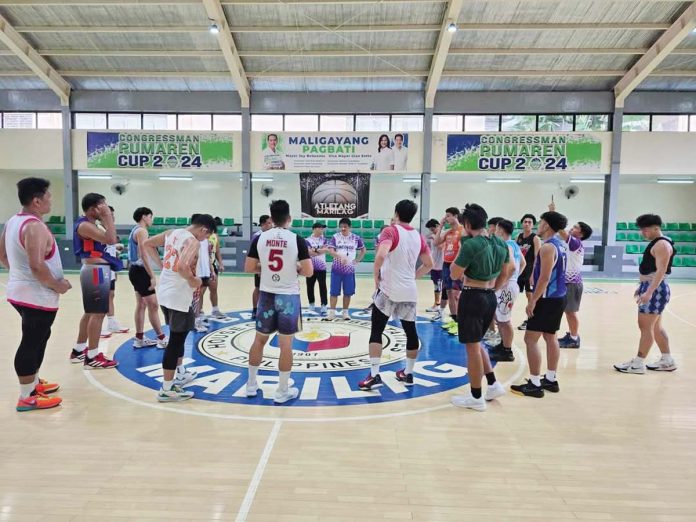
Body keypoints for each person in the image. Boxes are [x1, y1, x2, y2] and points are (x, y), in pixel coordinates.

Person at [0, 177, 71, 412]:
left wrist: (20, 276)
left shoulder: (12, 221)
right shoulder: (34, 227)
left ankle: (33, 382)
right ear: (37, 201)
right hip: (36, 296)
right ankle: (26, 396)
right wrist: (56, 285)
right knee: (31, 342)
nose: (51, 200)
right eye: (48, 197)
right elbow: (37, 266)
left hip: (23, 292)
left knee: (40, 337)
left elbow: (2, 255)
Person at [358, 200, 433, 390]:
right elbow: (429, 263)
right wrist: (412, 277)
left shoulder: (390, 230)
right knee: (410, 332)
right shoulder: (418, 236)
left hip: (389, 289)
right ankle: (408, 373)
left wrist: (376, 277)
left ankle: (375, 376)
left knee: (376, 331)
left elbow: (381, 255)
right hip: (409, 291)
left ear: (396, 213)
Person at [244, 200, 313, 404]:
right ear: (289, 218)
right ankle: (282, 390)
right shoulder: (297, 239)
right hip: (288, 296)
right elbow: (308, 271)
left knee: (259, 340)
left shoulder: (260, 238)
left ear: (271, 219)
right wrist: (293, 269)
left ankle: (250, 384)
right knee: (285, 345)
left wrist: (265, 270)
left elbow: (249, 267)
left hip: (266, 295)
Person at [143, 213, 216, 402]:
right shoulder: (192, 241)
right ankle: (167, 388)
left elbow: (147, 244)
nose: (204, 240)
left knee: (179, 337)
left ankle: (180, 373)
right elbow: (183, 266)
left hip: (166, 292)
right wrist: (194, 280)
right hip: (178, 295)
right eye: (206, 237)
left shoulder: (173, 232)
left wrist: (162, 267)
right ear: (204, 230)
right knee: (175, 341)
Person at [449, 204, 512, 412]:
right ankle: (492, 384)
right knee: (478, 344)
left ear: (467, 224)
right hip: (489, 297)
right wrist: (496, 287)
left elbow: (454, 274)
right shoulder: (501, 244)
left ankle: (476, 396)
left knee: (472, 349)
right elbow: (508, 269)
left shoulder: (471, 245)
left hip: (472, 296)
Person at [511, 211, 568, 398]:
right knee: (551, 336)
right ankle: (551, 379)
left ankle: (535, 383)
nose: (538, 225)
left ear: (548, 226)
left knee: (530, 339)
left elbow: (544, 278)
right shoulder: (560, 244)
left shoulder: (547, 248)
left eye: (541, 222)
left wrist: (533, 300)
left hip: (547, 299)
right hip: (559, 297)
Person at [614, 214, 677, 374]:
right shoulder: (660, 243)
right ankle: (667, 360)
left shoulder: (662, 244)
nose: (643, 233)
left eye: (646, 230)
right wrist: (643, 286)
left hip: (655, 289)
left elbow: (661, 270)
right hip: (652, 286)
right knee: (655, 327)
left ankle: (638, 363)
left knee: (645, 327)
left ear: (656, 228)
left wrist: (649, 291)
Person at [69, 193, 121, 369]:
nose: (105, 208)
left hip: (95, 269)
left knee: (91, 313)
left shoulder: (89, 224)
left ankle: (79, 350)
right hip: (96, 271)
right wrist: (108, 217)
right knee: (98, 314)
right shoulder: (85, 225)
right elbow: (112, 240)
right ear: (93, 209)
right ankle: (92, 357)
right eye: (102, 206)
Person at [547, 202, 593, 349]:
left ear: (581, 234)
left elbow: (561, 231)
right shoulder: (569, 243)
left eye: (575, 227)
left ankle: (574, 338)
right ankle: (572, 335)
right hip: (566, 281)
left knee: (571, 312)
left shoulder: (575, 243)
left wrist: (553, 214)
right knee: (567, 312)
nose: (572, 228)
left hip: (572, 283)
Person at [127, 207, 168, 349]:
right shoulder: (142, 231)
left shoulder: (135, 230)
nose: (152, 219)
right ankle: (161, 338)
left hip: (134, 270)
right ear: (144, 216)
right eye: (150, 216)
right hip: (140, 271)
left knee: (141, 304)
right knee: (153, 305)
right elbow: (144, 255)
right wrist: (152, 275)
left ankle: (139, 338)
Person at [489, 219, 526, 363]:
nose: (494, 231)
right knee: (500, 319)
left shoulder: (505, 245)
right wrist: (514, 279)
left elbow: (511, 267)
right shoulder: (514, 245)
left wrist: (503, 283)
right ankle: (503, 345)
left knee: (504, 320)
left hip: (506, 287)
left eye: (496, 229)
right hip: (510, 284)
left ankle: (507, 351)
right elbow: (522, 263)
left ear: (501, 231)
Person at [327, 218, 366, 320]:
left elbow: (363, 250)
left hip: (349, 270)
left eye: (345, 226)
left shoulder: (356, 238)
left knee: (348, 292)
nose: (343, 228)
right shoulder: (335, 237)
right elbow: (331, 250)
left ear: (350, 227)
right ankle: (332, 313)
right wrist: (340, 257)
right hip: (336, 269)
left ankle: (345, 313)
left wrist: (357, 260)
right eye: (341, 226)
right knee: (334, 292)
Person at [434, 207, 464, 334]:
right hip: (446, 264)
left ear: (455, 216)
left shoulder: (462, 231)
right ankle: (454, 320)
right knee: (450, 293)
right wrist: (440, 226)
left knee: (457, 295)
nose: (446, 218)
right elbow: (436, 242)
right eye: (445, 216)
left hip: (456, 265)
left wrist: (456, 263)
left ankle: (461, 323)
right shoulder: (448, 232)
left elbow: (463, 249)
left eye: (448, 216)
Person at [100, 205, 128, 338]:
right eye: (110, 215)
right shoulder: (98, 228)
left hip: (109, 268)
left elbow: (109, 248)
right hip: (99, 268)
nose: (113, 217)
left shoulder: (109, 230)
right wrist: (116, 246)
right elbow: (101, 247)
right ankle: (98, 327)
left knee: (111, 295)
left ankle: (111, 322)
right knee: (99, 298)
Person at [516, 213, 542, 331]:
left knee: (529, 296)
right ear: (522, 223)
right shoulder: (518, 237)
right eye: (525, 221)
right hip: (519, 270)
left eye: (529, 222)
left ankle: (531, 320)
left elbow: (537, 257)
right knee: (511, 293)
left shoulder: (535, 238)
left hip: (530, 270)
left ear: (533, 225)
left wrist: (533, 274)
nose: (527, 224)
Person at [192, 213, 215, 333]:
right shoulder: (193, 239)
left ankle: (198, 316)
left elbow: (208, 255)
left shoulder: (205, 240)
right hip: (197, 271)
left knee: (200, 294)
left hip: (205, 269)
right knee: (196, 295)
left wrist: (211, 269)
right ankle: (195, 320)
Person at [483, 216, 504, 344]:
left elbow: (511, 267)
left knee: (498, 311)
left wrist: (500, 283)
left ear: (497, 227)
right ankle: (491, 330)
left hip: (499, 282)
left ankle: (500, 336)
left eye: (490, 226)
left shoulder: (501, 244)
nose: (488, 229)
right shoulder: (490, 241)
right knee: (490, 309)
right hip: (492, 281)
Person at [250, 214, 272, 319]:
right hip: (260, 267)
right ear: (263, 224)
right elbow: (254, 254)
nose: (270, 224)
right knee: (258, 288)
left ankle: (267, 309)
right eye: (268, 223)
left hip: (270, 267)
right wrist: (258, 269)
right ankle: (255, 309)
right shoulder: (257, 236)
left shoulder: (271, 235)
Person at [306, 222, 329, 315]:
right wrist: (319, 251)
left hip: (321, 267)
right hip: (310, 266)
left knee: (323, 286)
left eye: (322, 228)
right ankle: (311, 303)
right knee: (310, 286)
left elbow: (326, 250)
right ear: (314, 229)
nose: (322, 230)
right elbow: (309, 252)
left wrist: (314, 250)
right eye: (320, 228)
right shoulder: (307, 240)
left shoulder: (324, 240)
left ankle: (324, 305)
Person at [424, 218, 445, 315]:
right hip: (434, 264)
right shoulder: (434, 236)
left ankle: (439, 305)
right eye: (430, 230)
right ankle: (436, 304)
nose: (431, 231)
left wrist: (434, 237)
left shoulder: (443, 234)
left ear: (437, 226)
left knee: (440, 286)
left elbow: (442, 247)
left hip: (441, 265)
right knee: (436, 285)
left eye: (433, 229)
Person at [208, 217, 226, 320]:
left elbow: (217, 251)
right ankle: (199, 313)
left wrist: (221, 263)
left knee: (213, 289)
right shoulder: (203, 237)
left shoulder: (215, 236)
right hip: (203, 267)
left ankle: (215, 310)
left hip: (213, 265)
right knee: (201, 290)